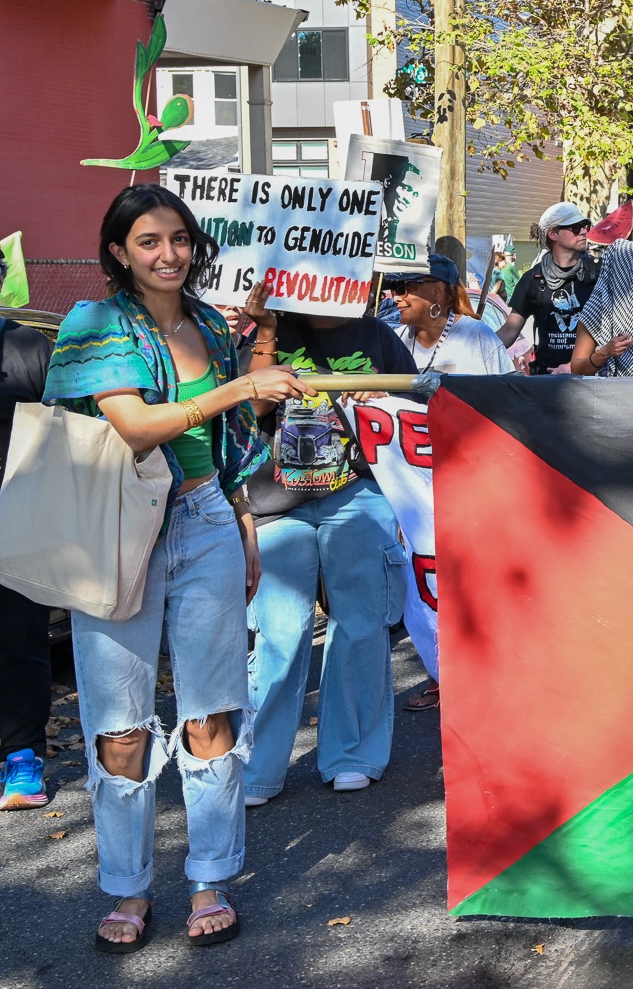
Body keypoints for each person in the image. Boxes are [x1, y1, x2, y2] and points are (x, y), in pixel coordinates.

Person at [42, 184, 311, 950]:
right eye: (150, 241)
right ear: (118, 251)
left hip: (206, 521)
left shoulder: (211, 326)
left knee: (210, 713)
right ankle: (128, 887)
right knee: (120, 728)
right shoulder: (95, 323)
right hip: (116, 528)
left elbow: (231, 443)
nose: (169, 254)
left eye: (180, 239)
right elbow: (134, 427)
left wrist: (245, 523)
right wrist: (242, 384)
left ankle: (210, 878)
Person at [242, 278, 419, 807]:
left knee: (361, 624)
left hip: (358, 492)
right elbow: (248, 413)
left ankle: (354, 754)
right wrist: (265, 331)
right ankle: (257, 766)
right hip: (276, 502)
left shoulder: (378, 336)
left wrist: (384, 399)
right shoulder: (266, 330)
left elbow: (414, 409)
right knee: (278, 633)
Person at [0, 311, 53, 811]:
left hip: (20, 523)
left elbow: (69, 434)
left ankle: (22, 758)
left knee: (20, 642)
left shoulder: (30, 347)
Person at [499, 202, 596, 373]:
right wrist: (477, 348)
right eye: (575, 227)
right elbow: (509, 331)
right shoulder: (532, 279)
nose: (583, 231)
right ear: (553, 234)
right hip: (547, 381)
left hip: (591, 378)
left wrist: (573, 367)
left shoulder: (599, 275)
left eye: (585, 226)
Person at [387, 253, 514, 375]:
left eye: (403, 288)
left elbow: (508, 387)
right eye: (394, 289)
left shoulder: (480, 337)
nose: (396, 298)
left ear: (437, 291)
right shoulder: (394, 341)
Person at [568, 239, 633, 376]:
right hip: (611, 390)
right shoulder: (596, 312)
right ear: (625, 271)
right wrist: (605, 352)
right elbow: (576, 369)